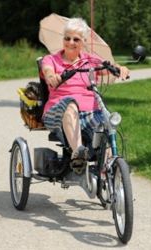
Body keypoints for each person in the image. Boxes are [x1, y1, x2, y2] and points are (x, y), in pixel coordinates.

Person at [41, 17, 130, 165]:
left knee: (106, 125)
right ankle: (78, 156)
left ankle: (110, 169)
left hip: (90, 113)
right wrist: (52, 77)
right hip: (58, 112)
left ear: (84, 41)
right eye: (67, 38)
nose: (70, 42)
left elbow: (108, 67)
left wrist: (121, 69)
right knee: (71, 105)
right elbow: (48, 71)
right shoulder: (51, 59)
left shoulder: (91, 61)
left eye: (76, 39)